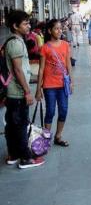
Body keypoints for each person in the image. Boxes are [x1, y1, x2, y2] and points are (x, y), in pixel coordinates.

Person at [4, 10, 44, 168]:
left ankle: (13, 155)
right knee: (21, 125)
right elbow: (18, 70)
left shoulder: (15, 41)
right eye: (25, 23)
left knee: (12, 125)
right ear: (15, 26)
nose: (29, 26)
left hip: (13, 92)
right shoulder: (15, 43)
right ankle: (26, 158)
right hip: (17, 92)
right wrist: (27, 92)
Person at [35, 19, 73, 147]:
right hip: (49, 86)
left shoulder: (65, 45)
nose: (59, 30)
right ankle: (46, 138)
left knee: (63, 110)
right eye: (56, 28)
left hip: (63, 85)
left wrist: (71, 81)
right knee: (50, 111)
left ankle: (58, 136)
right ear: (50, 31)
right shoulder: (45, 48)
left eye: (60, 28)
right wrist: (38, 89)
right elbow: (41, 69)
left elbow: (68, 64)